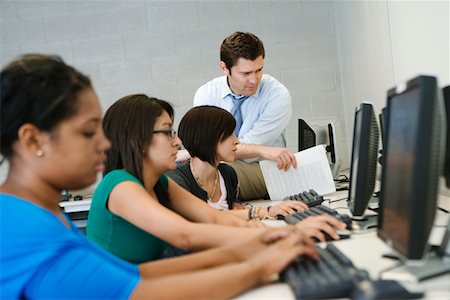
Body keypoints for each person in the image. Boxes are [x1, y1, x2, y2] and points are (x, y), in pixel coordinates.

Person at [0, 53, 319, 299]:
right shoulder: (24, 229)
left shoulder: (37, 215)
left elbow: (136, 274)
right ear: (32, 140)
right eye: (87, 132)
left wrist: (256, 245)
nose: (104, 143)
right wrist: (260, 264)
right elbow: (147, 288)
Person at [86, 94, 343, 263]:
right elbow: (185, 235)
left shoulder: (159, 183)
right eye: (167, 133)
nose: (177, 142)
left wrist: (283, 230)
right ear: (137, 140)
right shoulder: (119, 185)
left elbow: (214, 217)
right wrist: (285, 235)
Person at [190, 31, 296, 201]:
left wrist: (197, 151)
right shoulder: (207, 94)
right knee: (184, 169)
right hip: (220, 162)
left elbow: (214, 148)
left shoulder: (277, 95)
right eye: (246, 74)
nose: (254, 80)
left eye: (259, 70)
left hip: (260, 167)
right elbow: (207, 146)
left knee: (215, 171)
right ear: (224, 68)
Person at [169, 105, 314, 220]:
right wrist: (263, 212)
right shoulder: (177, 180)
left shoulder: (227, 174)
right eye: (229, 135)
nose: (236, 140)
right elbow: (206, 217)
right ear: (208, 140)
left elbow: (230, 212)